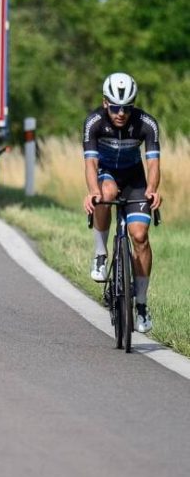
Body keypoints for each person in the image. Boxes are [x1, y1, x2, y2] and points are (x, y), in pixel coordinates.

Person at [82, 72, 162, 333]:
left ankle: (142, 305)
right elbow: (91, 163)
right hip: (106, 174)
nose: (121, 113)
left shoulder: (146, 123)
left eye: (127, 107)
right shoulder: (94, 122)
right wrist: (92, 192)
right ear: (105, 102)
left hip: (135, 180)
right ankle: (100, 254)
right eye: (116, 107)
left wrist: (152, 189)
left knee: (140, 237)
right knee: (105, 193)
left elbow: (153, 163)